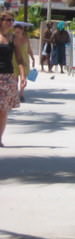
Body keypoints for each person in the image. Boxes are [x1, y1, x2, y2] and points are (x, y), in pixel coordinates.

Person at [0, 13, 27, 146]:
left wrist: (22, 76)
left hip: (8, 76)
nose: (10, 22)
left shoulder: (13, 38)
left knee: (3, 111)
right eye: (8, 20)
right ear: (1, 21)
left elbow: (19, 59)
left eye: (12, 20)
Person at [12, 23, 34, 103]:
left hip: (24, 60)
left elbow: (29, 49)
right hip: (14, 60)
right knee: (15, 78)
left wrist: (33, 58)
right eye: (15, 32)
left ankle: (21, 94)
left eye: (18, 32)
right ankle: (15, 93)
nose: (17, 33)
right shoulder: (12, 39)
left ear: (22, 31)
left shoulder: (26, 38)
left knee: (23, 78)